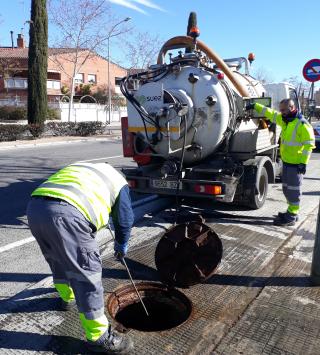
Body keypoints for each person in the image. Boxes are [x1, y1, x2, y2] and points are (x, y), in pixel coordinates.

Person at [26, 162, 134, 353]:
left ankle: (67, 299)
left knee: (57, 260)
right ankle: (99, 337)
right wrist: (121, 244)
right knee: (87, 275)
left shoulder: (84, 169)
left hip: (35, 208)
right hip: (67, 216)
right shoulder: (119, 183)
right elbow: (124, 220)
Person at [247, 98, 315, 226]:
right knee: (286, 190)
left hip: (296, 165)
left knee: (294, 191)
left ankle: (291, 217)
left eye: (283, 110)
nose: (281, 112)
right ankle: (291, 212)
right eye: (281, 110)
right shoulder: (285, 120)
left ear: (292, 107)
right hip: (287, 162)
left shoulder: (302, 124)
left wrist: (303, 163)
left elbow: (309, 145)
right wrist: (254, 105)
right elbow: (270, 113)